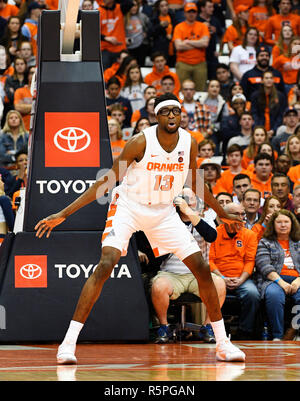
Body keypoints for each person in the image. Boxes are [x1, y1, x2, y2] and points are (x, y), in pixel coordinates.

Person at [35, 92, 246, 364]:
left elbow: (194, 180)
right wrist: (63, 213)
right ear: (155, 116)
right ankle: (68, 343)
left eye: (176, 111)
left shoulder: (189, 142)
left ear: (182, 115)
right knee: (107, 263)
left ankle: (222, 343)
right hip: (129, 207)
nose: (171, 115)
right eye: (165, 111)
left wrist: (221, 212)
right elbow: (108, 181)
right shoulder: (138, 142)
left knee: (202, 269)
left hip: (164, 212)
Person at [151, 187, 225, 344]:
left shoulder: (206, 219)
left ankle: (207, 326)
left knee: (219, 284)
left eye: (191, 198)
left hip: (197, 275)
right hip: (171, 274)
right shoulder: (168, 222)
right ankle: (164, 326)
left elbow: (211, 236)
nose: (186, 201)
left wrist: (191, 214)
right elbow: (157, 254)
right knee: (158, 286)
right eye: (183, 197)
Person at [209, 202, 260, 340]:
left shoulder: (249, 235)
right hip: (218, 277)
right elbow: (210, 261)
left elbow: (250, 261)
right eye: (236, 214)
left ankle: (245, 332)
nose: (241, 217)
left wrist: (241, 279)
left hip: (241, 278)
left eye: (242, 214)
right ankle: (215, 331)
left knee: (253, 294)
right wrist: (223, 278)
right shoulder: (213, 233)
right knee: (209, 292)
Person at [255, 209, 300, 340]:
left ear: (292, 224)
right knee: (274, 295)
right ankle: (277, 335)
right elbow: (264, 266)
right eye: (279, 222)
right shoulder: (265, 242)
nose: (283, 225)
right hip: (273, 280)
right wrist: (281, 282)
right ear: (273, 225)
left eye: (286, 221)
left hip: (297, 279)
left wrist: (298, 281)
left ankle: (295, 331)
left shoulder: (298, 242)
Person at [173, 2, 210, 91]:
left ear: (196, 13)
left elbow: (205, 44)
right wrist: (198, 44)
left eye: (193, 12)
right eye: (189, 12)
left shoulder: (202, 26)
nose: (191, 14)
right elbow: (178, 46)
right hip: (183, 63)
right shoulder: (179, 27)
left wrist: (188, 42)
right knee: (181, 90)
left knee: (200, 91)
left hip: (200, 63)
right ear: (184, 13)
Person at [250, 71, 287, 138]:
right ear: (262, 81)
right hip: (259, 129)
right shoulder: (255, 96)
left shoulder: (280, 96)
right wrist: (261, 129)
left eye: (270, 78)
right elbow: (254, 114)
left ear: (273, 80)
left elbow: (280, 115)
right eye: (266, 78)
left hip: (275, 129)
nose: (269, 80)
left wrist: (273, 130)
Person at [98, 0, 133, 70]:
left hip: (120, 49)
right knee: (105, 74)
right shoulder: (98, 11)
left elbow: (130, 3)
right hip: (104, 49)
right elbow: (93, 32)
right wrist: (105, 38)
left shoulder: (120, 8)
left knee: (121, 73)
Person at [124, 0, 150, 67]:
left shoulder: (143, 16)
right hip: (128, 47)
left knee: (140, 66)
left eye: (135, 5)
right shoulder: (124, 18)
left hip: (141, 46)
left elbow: (150, 28)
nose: (133, 8)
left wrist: (147, 33)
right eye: (131, 6)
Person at [150, 0, 176, 65]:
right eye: (162, 6)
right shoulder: (154, 18)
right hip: (160, 49)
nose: (165, 8)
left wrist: (172, 36)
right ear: (158, 8)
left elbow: (176, 29)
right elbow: (150, 33)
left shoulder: (172, 16)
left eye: (166, 5)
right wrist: (160, 26)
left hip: (172, 48)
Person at [13, 65, 35, 132]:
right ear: (27, 75)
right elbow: (18, 107)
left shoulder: (43, 92)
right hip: (23, 130)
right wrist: (36, 106)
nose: (34, 75)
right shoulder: (20, 91)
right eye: (32, 73)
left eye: (36, 73)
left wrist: (26, 108)